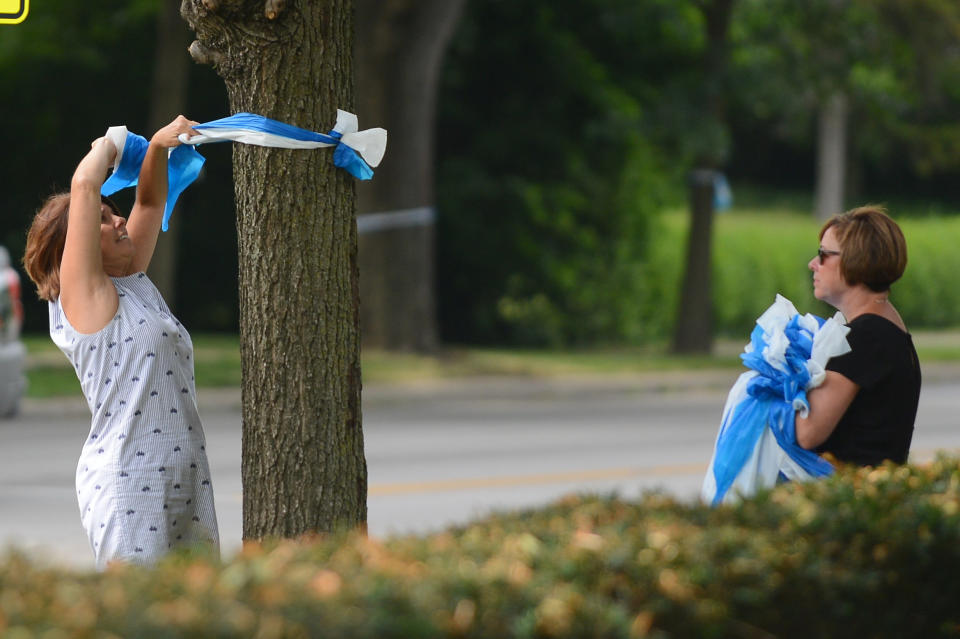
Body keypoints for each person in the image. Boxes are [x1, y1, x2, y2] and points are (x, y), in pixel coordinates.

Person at [22, 116, 219, 569]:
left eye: (115, 214)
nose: (118, 222)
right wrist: (111, 143)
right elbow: (84, 184)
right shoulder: (84, 302)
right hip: (130, 480)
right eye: (105, 220)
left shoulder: (130, 284)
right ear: (74, 247)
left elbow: (150, 203)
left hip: (186, 476)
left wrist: (157, 147)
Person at [795, 205, 921, 467]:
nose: (813, 264)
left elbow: (807, 433)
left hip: (853, 498)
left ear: (857, 259)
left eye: (823, 255)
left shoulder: (866, 338)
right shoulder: (885, 326)